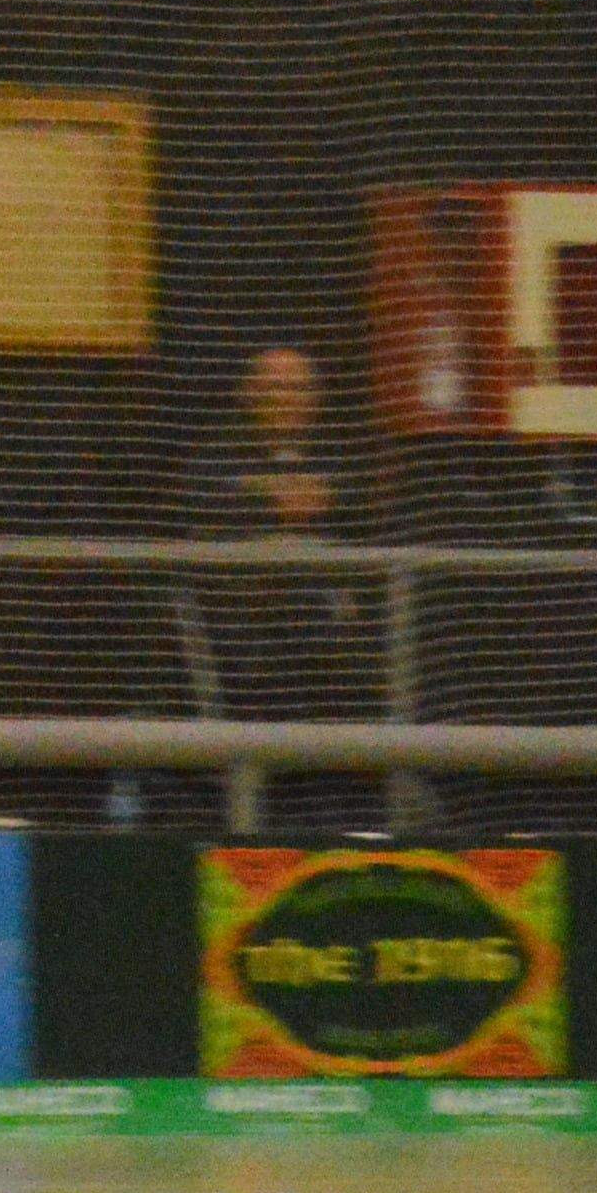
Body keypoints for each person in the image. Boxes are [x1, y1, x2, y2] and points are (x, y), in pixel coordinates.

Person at [178, 345, 375, 830]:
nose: (288, 399)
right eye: (275, 388)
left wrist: (325, 502)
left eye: (298, 388)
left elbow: (368, 510)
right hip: (247, 646)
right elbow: (200, 504)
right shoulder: (218, 455)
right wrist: (267, 495)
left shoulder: (341, 457)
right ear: (250, 396)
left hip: (334, 652)